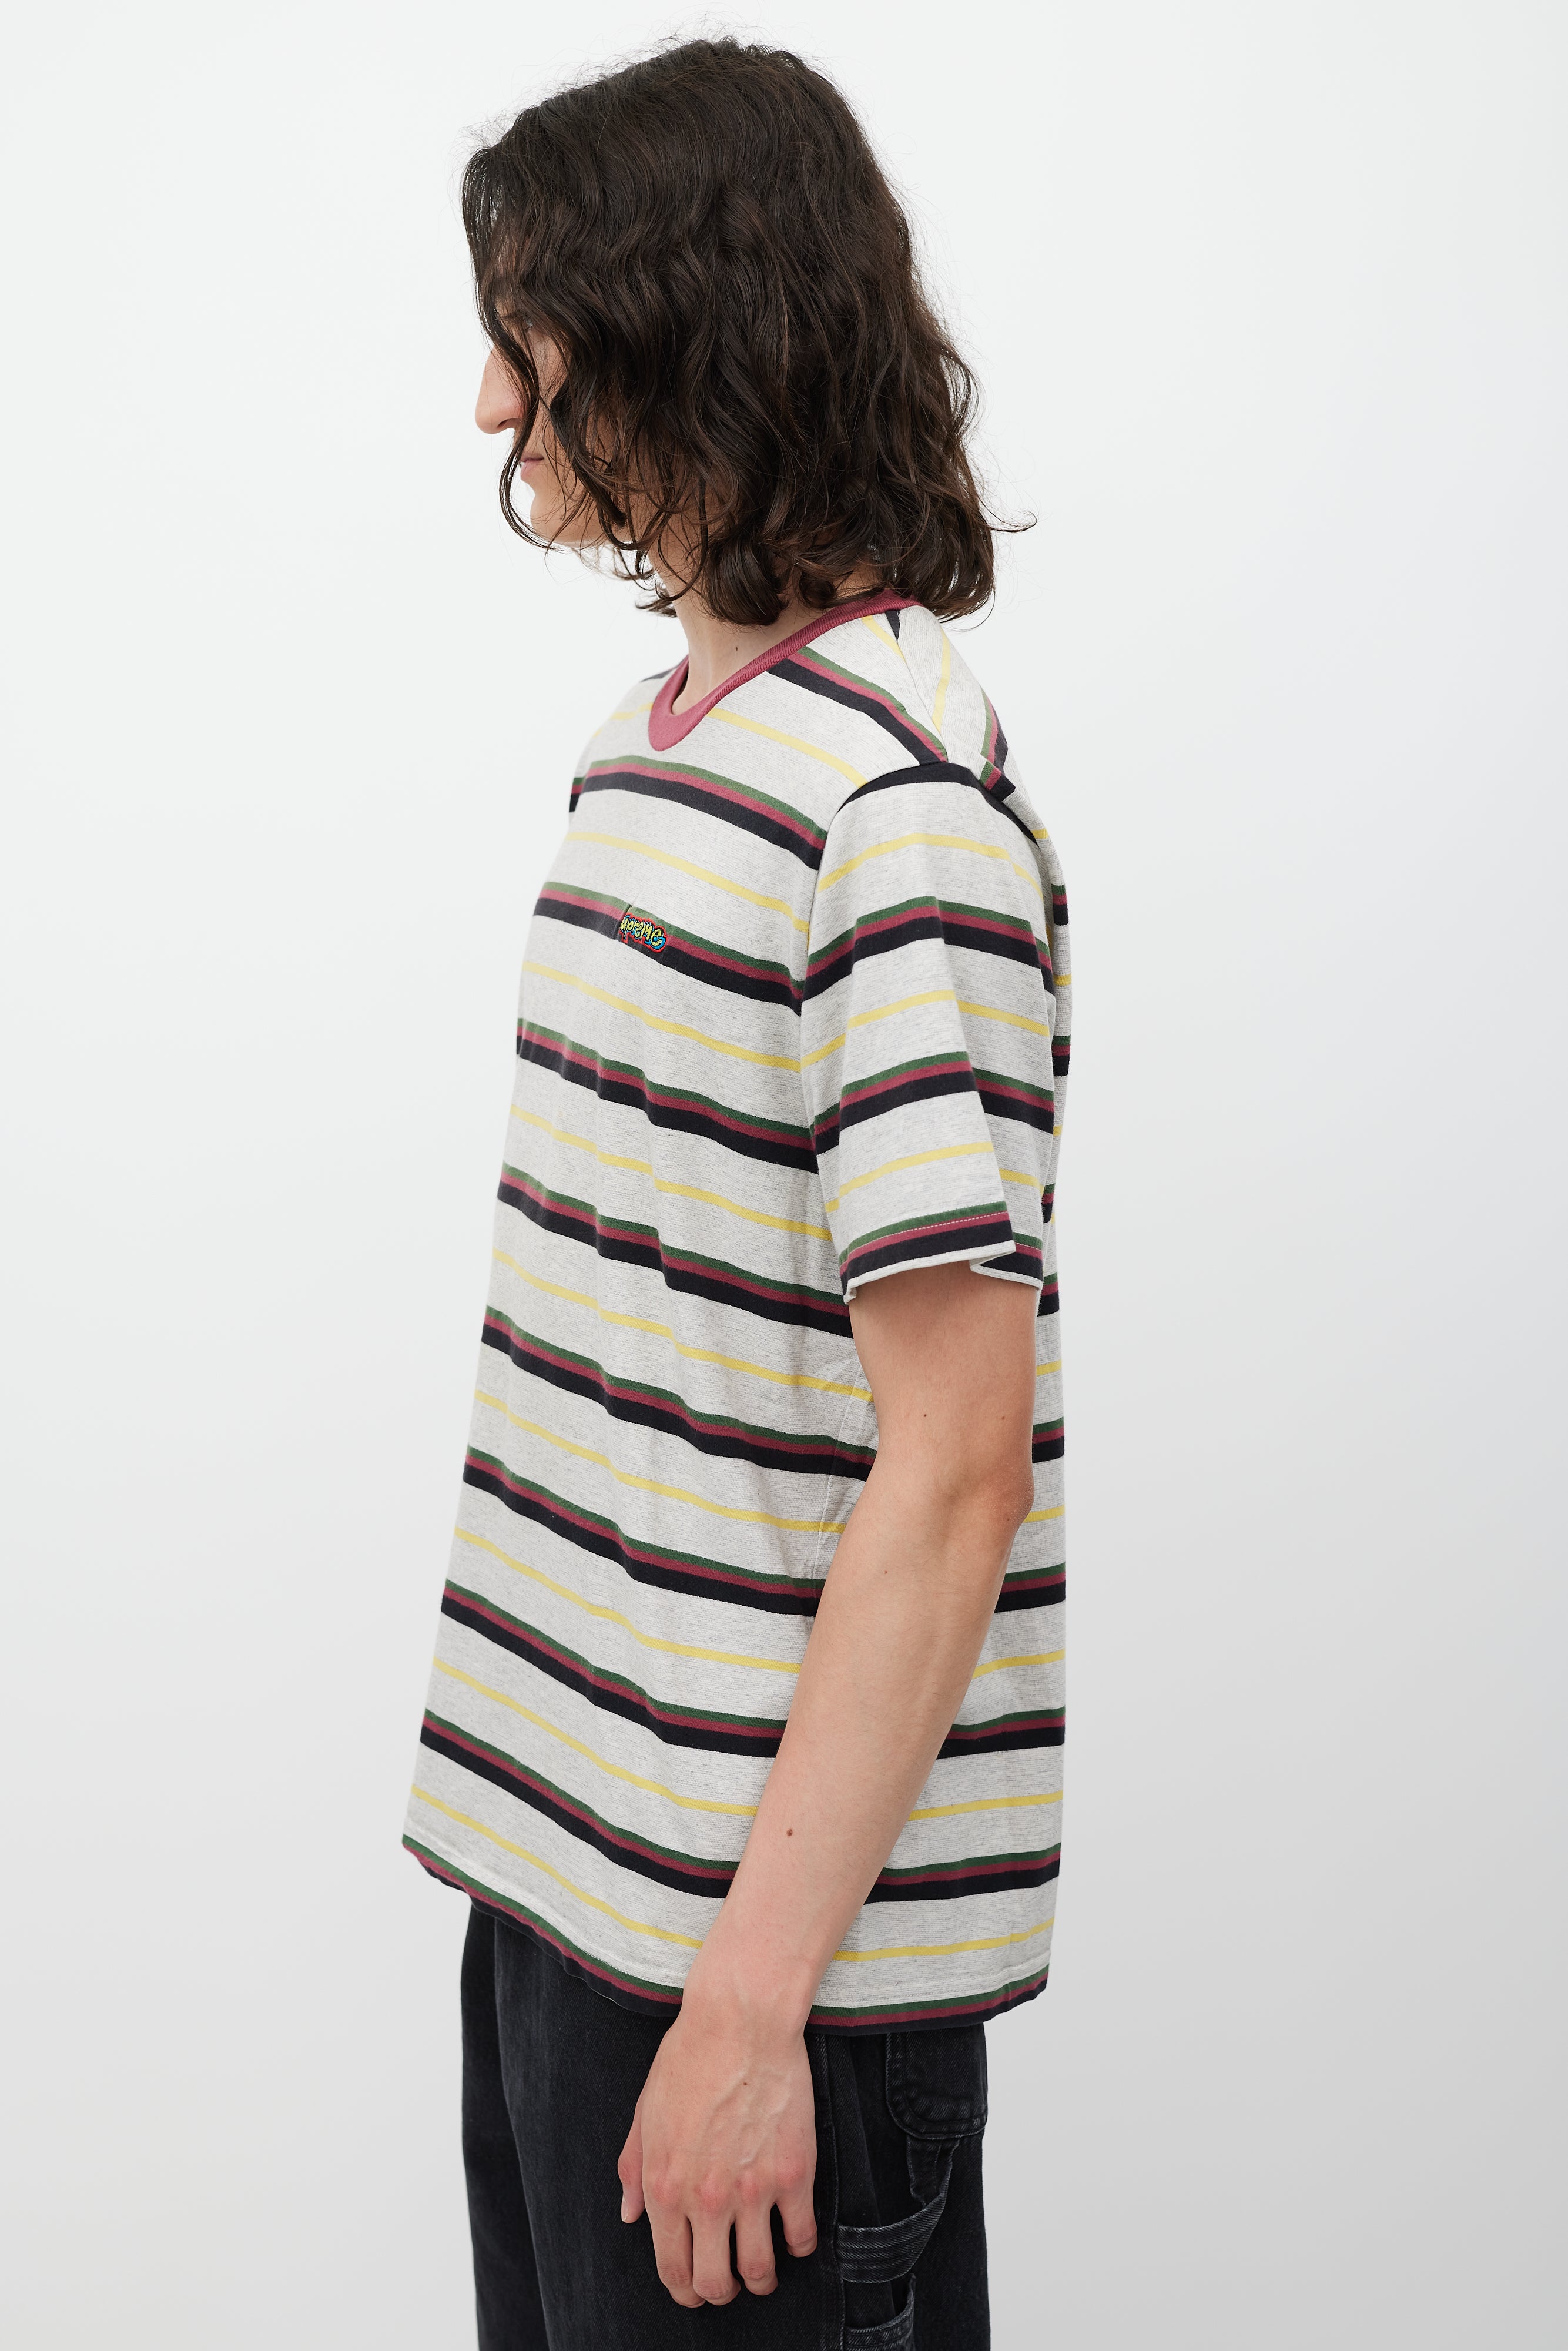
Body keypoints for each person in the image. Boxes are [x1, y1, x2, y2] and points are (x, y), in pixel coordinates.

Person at [404, 36, 1071, 2350]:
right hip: (573, 1895)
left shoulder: (892, 812)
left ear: (694, 331)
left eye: (536, 337)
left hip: (750, 1977)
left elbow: (954, 1466)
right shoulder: (658, 754)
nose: (495, 404)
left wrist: (749, 2007)